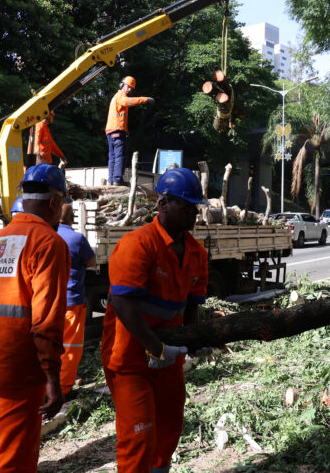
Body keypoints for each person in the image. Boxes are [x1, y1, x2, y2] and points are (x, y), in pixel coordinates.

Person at [0, 164, 71, 471]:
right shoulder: (48, 243)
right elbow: (46, 320)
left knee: (15, 450)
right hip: (20, 367)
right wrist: (52, 378)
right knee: (13, 461)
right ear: (55, 203)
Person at [101, 167, 210, 472]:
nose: (193, 215)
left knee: (168, 431)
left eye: (195, 209)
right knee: (139, 437)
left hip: (168, 357)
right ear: (162, 205)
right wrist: (155, 348)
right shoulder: (138, 244)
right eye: (186, 208)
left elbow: (192, 306)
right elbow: (123, 303)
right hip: (131, 357)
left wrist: (195, 340)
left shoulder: (196, 253)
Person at [57, 201, 96, 399]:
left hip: (48, 303)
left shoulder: (45, 235)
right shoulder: (76, 238)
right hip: (72, 301)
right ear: (72, 217)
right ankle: (63, 389)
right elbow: (92, 261)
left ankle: (47, 387)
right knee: (70, 348)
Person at [106, 75, 151, 186]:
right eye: (128, 86)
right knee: (120, 155)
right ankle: (117, 180)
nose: (130, 89)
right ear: (122, 85)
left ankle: (111, 180)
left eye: (132, 88)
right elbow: (126, 102)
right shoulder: (121, 96)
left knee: (112, 157)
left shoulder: (115, 97)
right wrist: (145, 100)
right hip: (117, 130)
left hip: (111, 131)